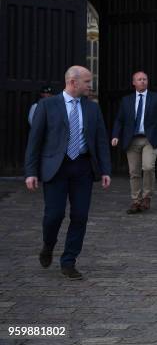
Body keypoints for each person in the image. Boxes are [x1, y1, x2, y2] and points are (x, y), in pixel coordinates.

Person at [24, 66, 111, 280]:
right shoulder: (47, 105)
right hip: (56, 168)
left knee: (80, 216)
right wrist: (31, 172)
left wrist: (106, 169)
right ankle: (48, 245)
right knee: (54, 215)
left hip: (82, 168)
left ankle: (69, 261)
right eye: (87, 81)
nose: (90, 85)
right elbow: (34, 141)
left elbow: (100, 140)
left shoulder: (92, 108)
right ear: (73, 82)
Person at [111, 71, 157, 214]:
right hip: (131, 140)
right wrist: (115, 135)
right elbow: (120, 119)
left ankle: (146, 197)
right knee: (134, 172)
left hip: (150, 139)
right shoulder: (126, 100)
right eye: (139, 79)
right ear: (134, 83)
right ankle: (136, 201)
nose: (143, 81)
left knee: (148, 167)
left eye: (145, 79)